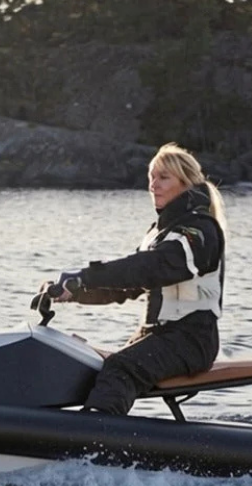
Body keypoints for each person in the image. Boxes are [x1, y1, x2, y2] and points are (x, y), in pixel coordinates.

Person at [37, 142, 226, 415]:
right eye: (151, 177)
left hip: (190, 340)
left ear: (186, 183)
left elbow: (150, 268)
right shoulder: (159, 233)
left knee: (120, 367)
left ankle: (95, 446)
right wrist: (73, 292)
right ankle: (63, 428)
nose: (153, 185)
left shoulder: (199, 231)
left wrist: (86, 276)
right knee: (85, 363)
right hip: (156, 335)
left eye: (163, 178)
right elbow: (127, 287)